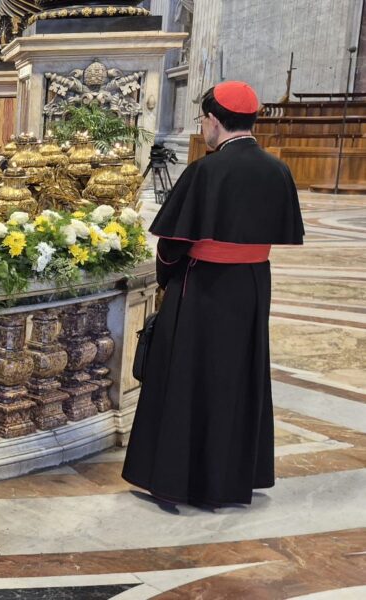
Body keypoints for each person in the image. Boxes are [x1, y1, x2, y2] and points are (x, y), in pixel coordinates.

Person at [122, 81, 304, 508]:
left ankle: (180, 479)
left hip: (202, 287)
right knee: (240, 376)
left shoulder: (205, 170)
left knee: (187, 377)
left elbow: (170, 245)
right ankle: (236, 477)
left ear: (214, 120)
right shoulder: (278, 169)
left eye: (203, 119)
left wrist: (168, 280)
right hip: (254, 285)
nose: (203, 127)